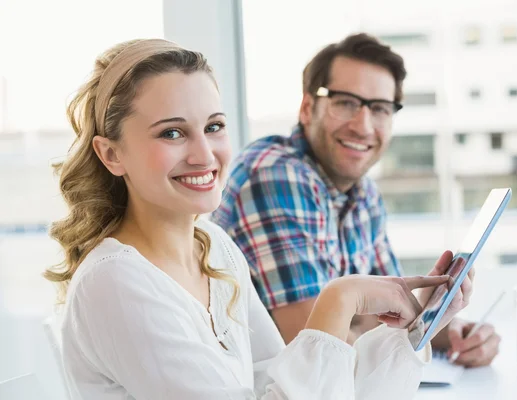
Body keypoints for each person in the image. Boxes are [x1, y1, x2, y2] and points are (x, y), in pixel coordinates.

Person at [44, 38, 473, 399]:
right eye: (172, 132)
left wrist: (414, 327)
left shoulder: (213, 249)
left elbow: (283, 385)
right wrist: (340, 300)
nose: (204, 155)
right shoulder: (116, 282)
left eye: (213, 127)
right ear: (111, 154)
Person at [211, 33, 500, 367]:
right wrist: (406, 337)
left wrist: (455, 332)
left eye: (379, 108)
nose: (363, 126)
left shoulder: (361, 193)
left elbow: (387, 314)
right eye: (346, 102)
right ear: (307, 108)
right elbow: (317, 347)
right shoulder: (275, 175)